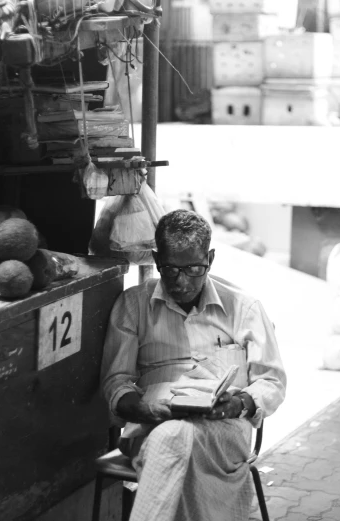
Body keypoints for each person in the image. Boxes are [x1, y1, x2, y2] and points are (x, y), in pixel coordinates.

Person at [100, 209, 287, 521]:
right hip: (151, 426)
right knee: (175, 436)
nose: (182, 281)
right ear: (157, 259)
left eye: (194, 269)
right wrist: (146, 410)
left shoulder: (244, 308)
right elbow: (116, 383)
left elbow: (272, 383)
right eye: (170, 270)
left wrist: (237, 403)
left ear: (210, 259)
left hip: (225, 429)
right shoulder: (133, 305)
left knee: (174, 439)